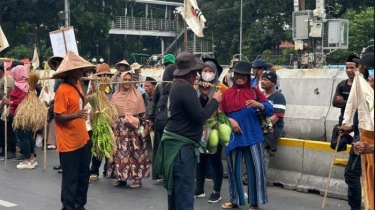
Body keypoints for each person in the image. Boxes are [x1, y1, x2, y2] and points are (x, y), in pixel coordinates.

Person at [154, 52, 222, 210]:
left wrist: (204, 97)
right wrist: (215, 100)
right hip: (181, 150)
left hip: (175, 147)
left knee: (176, 194)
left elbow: (191, 112)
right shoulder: (185, 88)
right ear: (191, 72)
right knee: (184, 194)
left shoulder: (176, 86)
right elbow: (200, 116)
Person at [220, 61, 273, 210]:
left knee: (256, 170)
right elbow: (219, 115)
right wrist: (230, 120)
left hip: (253, 136)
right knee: (233, 170)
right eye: (237, 74)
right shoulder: (227, 93)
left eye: (243, 75)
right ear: (233, 76)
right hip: (233, 138)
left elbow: (269, 109)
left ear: (248, 77)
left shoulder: (255, 91)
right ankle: (234, 199)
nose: (240, 77)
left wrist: (259, 105)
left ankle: (255, 202)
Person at [53, 51, 94, 210]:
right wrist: (76, 115)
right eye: (78, 69)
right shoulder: (62, 90)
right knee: (70, 180)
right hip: (68, 144)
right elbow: (58, 116)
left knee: (83, 176)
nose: (81, 72)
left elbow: (82, 103)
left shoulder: (78, 85)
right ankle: (68, 207)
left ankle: (80, 206)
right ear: (69, 72)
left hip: (82, 139)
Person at [342, 53, 374, 210]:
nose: (366, 78)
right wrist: (348, 127)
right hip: (360, 143)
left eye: (367, 72)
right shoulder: (366, 96)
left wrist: (370, 148)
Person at [107, 72, 150, 188]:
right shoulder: (115, 96)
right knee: (119, 154)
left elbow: (143, 115)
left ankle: (137, 179)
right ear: (121, 80)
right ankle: (121, 178)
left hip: (134, 131)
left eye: (129, 79)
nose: (127, 82)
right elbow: (112, 113)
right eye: (124, 79)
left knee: (136, 154)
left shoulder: (137, 96)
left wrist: (137, 122)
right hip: (119, 131)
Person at [194, 58, 226, 203]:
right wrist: (204, 94)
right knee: (200, 160)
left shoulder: (221, 89)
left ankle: (216, 190)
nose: (207, 74)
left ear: (215, 73)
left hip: (215, 130)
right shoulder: (196, 88)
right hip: (199, 130)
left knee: (215, 160)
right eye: (204, 71)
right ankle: (199, 188)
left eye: (210, 71)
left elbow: (224, 109)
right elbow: (197, 110)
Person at [2, 65, 37, 168]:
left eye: (14, 73)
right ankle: (31, 157)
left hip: (22, 115)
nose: (12, 75)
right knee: (28, 136)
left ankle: (28, 160)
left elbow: (22, 101)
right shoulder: (29, 85)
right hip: (28, 114)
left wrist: (10, 102)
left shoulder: (21, 86)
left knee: (23, 137)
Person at [150, 54, 177, 183]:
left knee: (160, 149)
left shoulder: (160, 86)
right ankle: (168, 174)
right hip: (172, 124)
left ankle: (161, 174)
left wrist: (151, 119)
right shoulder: (178, 86)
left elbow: (153, 104)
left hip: (161, 122)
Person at [89, 63, 114, 182]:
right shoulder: (94, 86)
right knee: (97, 146)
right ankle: (94, 171)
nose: (104, 77)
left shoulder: (113, 88)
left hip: (109, 119)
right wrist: (94, 88)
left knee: (110, 146)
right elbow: (89, 99)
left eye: (106, 75)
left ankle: (107, 170)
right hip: (98, 118)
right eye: (102, 75)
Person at [260, 71, 286, 173]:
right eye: (262, 79)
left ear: (273, 83)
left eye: (266, 80)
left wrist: (260, 128)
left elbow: (276, 117)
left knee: (263, 146)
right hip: (260, 126)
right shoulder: (260, 95)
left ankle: (262, 177)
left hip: (272, 128)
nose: (262, 81)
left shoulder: (278, 96)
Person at [332, 55, 359, 125]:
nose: (349, 70)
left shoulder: (363, 85)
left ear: (358, 68)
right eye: (347, 68)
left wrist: (343, 101)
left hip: (358, 122)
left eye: (352, 68)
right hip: (343, 120)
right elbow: (335, 102)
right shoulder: (342, 85)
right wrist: (353, 103)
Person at [0, 62, 16, 159]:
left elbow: (7, 96)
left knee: (8, 130)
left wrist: (1, 106)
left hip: (6, 107)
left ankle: (11, 150)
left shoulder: (8, 80)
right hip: (1, 106)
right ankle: (3, 148)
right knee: (2, 130)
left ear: (1, 71)